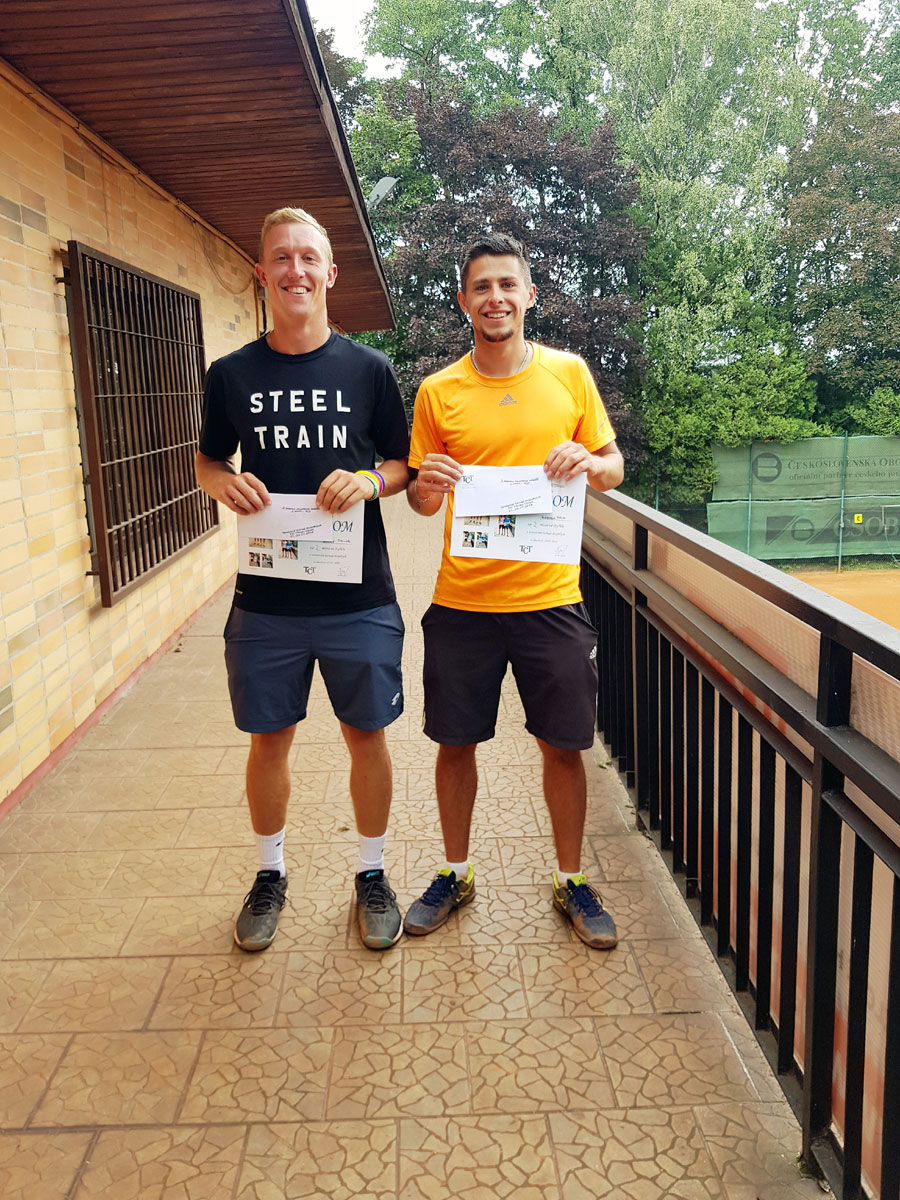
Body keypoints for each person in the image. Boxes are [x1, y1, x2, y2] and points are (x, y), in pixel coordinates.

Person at [195, 207, 410, 952]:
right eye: (281, 258)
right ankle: (270, 873)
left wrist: (369, 482)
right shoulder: (231, 374)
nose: (296, 270)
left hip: (359, 596)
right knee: (268, 743)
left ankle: (372, 874)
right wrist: (222, 483)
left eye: (308, 258)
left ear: (330, 273)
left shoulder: (369, 370)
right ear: (262, 273)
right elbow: (208, 460)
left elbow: (402, 463)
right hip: (268, 600)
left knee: (367, 739)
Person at [404, 232, 625, 950]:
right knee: (454, 744)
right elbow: (420, 503)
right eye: (481, 287)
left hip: (550, 603)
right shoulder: (438, 391)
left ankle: (571, 880)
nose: (494, 297)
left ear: (529, 295)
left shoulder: (569, 374)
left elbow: (613, 466)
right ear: (463, 300)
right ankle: (455, 872)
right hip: (462, 604)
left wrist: (588, 462)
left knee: (563, 747)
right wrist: (428, 485)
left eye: (507, 285)